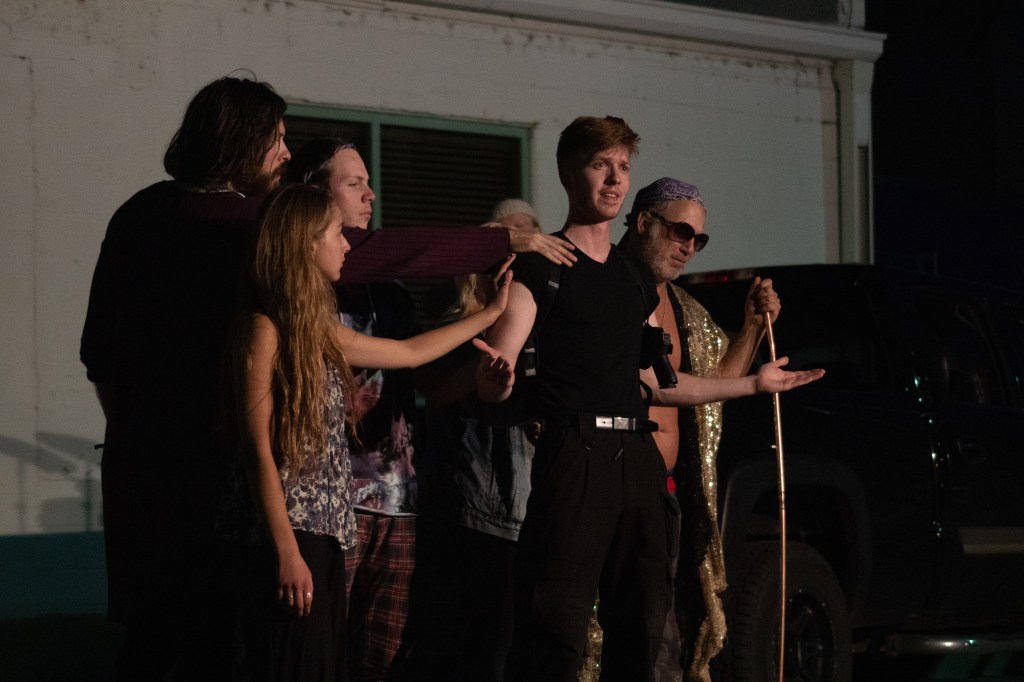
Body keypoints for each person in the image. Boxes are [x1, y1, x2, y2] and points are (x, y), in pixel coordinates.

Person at [475, 116, 823, 682]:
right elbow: (499, 368)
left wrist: (753, 384)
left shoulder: (633, 278)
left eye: (623, 167)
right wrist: (498, 378)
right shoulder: (541, 266)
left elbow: (660, 381)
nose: (615, 179)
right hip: (577, 455)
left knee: (641, 628)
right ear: (569, 174)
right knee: (556, 628)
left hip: (636, 460)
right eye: (601, 165)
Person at [284, 139, 574, 681]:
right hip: (327, 504)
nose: (371, 195)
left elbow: (427, 380)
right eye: (354, 183)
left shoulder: (390, 290)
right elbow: (410, 352)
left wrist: (488, 361)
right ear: (315, 196)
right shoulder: (300, 292)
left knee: (383, 659)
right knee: (318, 655)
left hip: (396, 499)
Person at [217, 182, 515, 681]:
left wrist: (491, 314)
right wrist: (286, 551)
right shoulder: (262, 329)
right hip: (286, 533)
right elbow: (256, 450)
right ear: (307, 242)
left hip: (326, 531)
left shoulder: (314, 327)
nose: (347, 245)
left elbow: (409, 353)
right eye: (337, 233)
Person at [80, 75, 291, 679]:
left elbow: (99, 352)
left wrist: (132, 429)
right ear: (243, 141)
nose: (286, 153)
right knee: (216, 641)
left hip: (138, 465)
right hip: (216, 470)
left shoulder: (137, 213)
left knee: (153, 639)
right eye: (277, 138)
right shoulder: (251, 224)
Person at [622, 178, 779, 682]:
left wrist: (751, 328)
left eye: (698, 238)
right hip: (612, 490)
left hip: (669, 498)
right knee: (617, 636)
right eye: (680, 232)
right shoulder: (607, 290)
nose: (689, 247)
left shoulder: (686, 310)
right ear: (643, 222)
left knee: (668, 638)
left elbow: (712, 388)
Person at [412, 198, 543, 682]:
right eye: (511, 242)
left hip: (533, 511)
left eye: (531, 242)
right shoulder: (459, 320)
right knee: (480, 651)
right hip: (472, 509)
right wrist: (489, 370)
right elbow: (434, 387)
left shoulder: (543, 317)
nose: (521, 255)